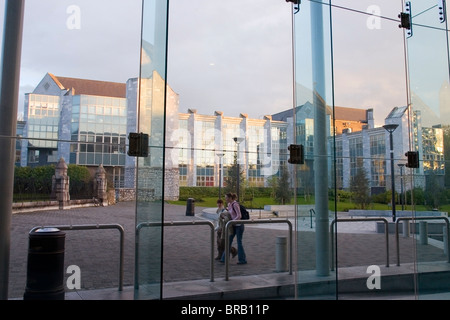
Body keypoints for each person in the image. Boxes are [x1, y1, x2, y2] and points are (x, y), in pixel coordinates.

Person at [220, 193, 247, 265]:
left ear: (230, 198)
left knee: (239, 242)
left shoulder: (235, 204)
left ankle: (242, 260)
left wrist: (232, 221)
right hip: (233, 225)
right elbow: (230, 213)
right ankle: (224, 258)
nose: (225, 199)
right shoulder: (229, 205)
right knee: (229, 241)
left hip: (238, 225)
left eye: (226, 198)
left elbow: (239, 215)